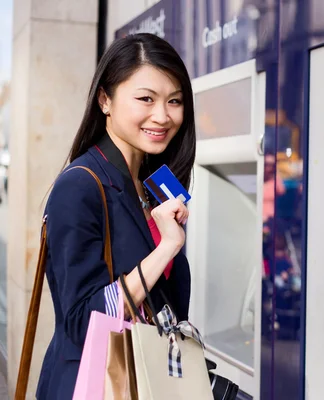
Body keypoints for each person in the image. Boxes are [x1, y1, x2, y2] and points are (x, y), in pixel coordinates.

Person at [36, 33, 196, 399]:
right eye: (146, 99)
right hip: (95, 385)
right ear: (105, 100)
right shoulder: (79, 186)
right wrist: (166, 247)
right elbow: (81, 322)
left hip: (146, 379)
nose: (163, 116)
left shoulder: (151, 185)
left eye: (174, 101)